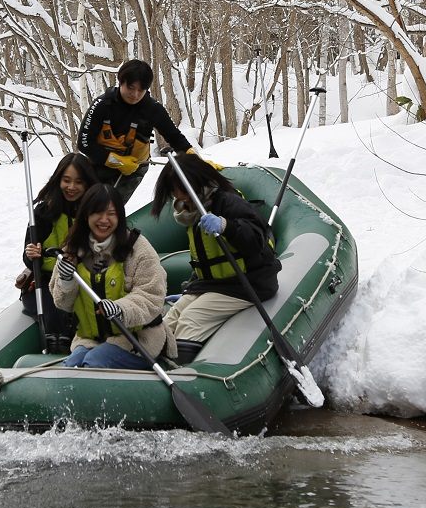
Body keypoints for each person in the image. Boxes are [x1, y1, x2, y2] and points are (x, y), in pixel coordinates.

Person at [149, 153, 281, 346]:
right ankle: (150, 363)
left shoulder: (227, 202)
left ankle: (182, 367)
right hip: (213, 284)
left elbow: (256, 241)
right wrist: (192, 286)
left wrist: (226, 226)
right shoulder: (192, 211)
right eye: (173, 192)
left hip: (246, 283)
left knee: (190, 319)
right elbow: (204, 258)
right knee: (172, 317)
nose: (178, 197)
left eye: (180, 190)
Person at [50, 184, 177, 369]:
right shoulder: (72, 250)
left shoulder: (138, 248)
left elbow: (152, 296)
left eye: (111, 213)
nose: (104, 220)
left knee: (94, 364)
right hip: (91, 340)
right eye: (97, 213)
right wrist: (66, 280)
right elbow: (62, 303)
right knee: (71, 367)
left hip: (137, 339)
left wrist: (120, 308)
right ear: (86, 215)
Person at [77, 58, 196, 205]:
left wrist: (193, 157)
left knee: (110, 207)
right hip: (100, 163)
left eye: (141, 90)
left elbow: (174, 137)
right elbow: (83, 143)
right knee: (87, 205)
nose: (135, 94)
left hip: (134, 169)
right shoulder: (102, 105)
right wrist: (116, 161)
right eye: (131, 88)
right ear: (121, 82)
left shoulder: (153, 109)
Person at [17, 152, 100, 350]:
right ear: (58, 180)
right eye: (66, 180)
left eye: (78, 182)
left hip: (85, 278)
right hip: (48, 281)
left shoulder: (95, 211)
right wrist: (32, 255)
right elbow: (28, 257)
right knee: (56, 316)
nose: (71, 187)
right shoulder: (44, 212)